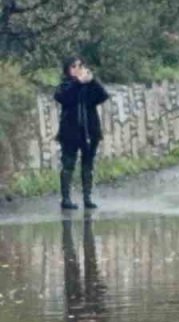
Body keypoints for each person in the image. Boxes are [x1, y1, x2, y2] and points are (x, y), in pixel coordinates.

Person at [54, 56, 109, 211]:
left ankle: (87, 197)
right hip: (70, 131)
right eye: (74, 66)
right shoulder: (65, 85)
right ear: (67, 69)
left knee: (88, 164)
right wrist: (78, 83)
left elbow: (103, 96)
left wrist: (92, 80)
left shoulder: (90, 86)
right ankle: (66, 198)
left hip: (90, 130)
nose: (77, 69)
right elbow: (62, 97)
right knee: (68, 164)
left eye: (80, 66)